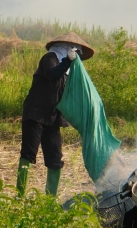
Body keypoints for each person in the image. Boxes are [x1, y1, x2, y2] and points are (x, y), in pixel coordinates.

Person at [16, 31, 94, 197]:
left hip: (53, 118)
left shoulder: (69, 71)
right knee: (28, 154)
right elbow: (52, 74)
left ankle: (50, 202)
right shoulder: (50, 58)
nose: (75, 52)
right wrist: (67, 60)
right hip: (36, 114)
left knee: (55, 159)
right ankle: (19, 197)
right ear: (64, 47)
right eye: (72, 49)